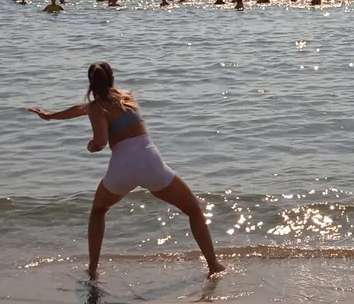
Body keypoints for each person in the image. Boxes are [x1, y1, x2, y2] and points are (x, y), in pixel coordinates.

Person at [29, 62, 223, 278]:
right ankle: (213, 265)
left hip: (122, 167)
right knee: (194, 210)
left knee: (98, 211)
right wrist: (51, 115)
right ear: (112, 78)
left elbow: (100, 140)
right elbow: (81, 109)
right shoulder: (127, 96)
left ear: (90, 83)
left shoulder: (95, 107)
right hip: (150, 162)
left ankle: (93, 269)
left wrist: (90, 145)